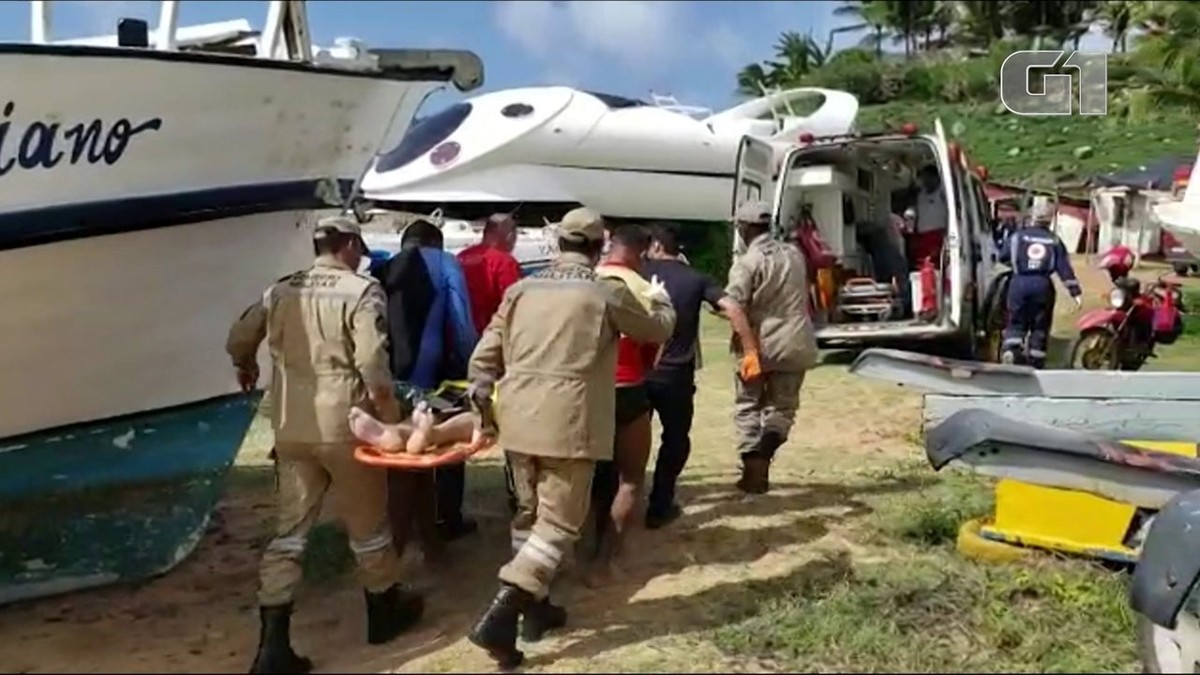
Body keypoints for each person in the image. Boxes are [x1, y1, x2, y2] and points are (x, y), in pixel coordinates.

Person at [465, 207, 675, 669]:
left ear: (556, 244)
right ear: (600, 247)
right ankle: (503, 612)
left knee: (528, 517)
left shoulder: (520, 289)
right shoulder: (602, 293)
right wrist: (662, 301)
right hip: (569, 425)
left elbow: (482, 361)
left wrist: (486, 415)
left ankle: (536, 611)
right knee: (559, 525)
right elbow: (656, 329)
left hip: (518, 422)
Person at [227, 215, 422, 674]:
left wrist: (246, 365)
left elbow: (238, 337)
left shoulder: (279, 291)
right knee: (368, 525)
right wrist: (391, 419)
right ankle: (382, 613)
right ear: (351, 243)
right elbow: (373, 365)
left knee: (289, 533)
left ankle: (272, 644)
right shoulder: (361, 291)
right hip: (346, 424)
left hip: (291, 424)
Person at [640, 222, 758, 528]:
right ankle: (660, 504)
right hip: (675, 374)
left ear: (655, 246)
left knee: (625, 437)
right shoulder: (695, 278)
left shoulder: (634, 273)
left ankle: (616, 501)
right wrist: (750, 352)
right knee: (676, 439)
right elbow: (732, 309)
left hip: (635, 373)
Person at [373, 219, 479, 543]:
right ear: (437, 243)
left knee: (403, 452)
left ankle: (413, 532)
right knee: (446, 440)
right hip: (434, 377)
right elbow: (460, 321)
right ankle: (447, 520)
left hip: (392, 377)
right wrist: (469, 366)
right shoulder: (446, 263)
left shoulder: (385, 268)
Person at [589, 224, 669, 581]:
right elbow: (655, 342)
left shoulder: (586, 278)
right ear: (641, 252)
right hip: (628, 385)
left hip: (588, 390)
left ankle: (587, 543)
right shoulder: (642, 287)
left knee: (591, 475)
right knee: (631, 478)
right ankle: (607, 559)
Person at [726, 201, 819, 495]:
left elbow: (733, 304)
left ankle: (753, 468)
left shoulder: (748, 262)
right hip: (796, 341)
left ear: (744, 227)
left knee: (748, 405)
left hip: (759, 344)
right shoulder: (795, 254)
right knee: (783, 408)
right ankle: (765, 456)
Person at [457, 213, 524, 514]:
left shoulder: (462, 258)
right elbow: (514, 310)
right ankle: (516, 491)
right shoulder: (505, 263)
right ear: (504, 234)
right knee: (510, 422)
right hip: (494, 352)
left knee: (461, 420)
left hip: (460, 349)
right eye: (514, 233)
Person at [998, 197, 1082, 368]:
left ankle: (1011, 351)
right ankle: (1036, 358)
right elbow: (1063, 268)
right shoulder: (1054, 240)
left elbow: (1003, 256)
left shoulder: (1017, 237)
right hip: (1043, 285)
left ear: (1031, 217)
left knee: (1016, 320)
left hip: (1019, 282)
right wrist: (1075, 292)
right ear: (1050, 219)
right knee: (1040, 323)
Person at [906, 165, 949, 268]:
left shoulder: (942, 193)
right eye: (924, 178)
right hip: (922, 237)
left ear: (935, 177)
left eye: (928, 177)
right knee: (922, 266)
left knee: (935, 265)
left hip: (938, 236)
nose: (925, 181)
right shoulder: (921, 195)